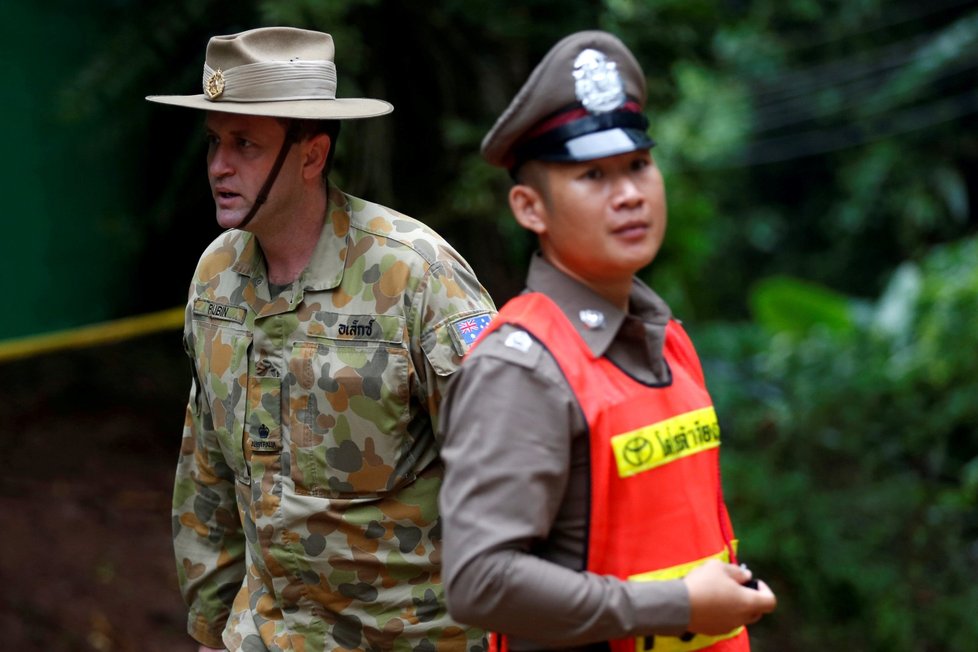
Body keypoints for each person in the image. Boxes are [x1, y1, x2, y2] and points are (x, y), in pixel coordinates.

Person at [146, 26, 496, 652]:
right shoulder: (216, 280)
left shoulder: (415, 276)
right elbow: (206, 472)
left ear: (311, 156)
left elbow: (508, 470)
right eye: (214, 143)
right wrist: (209, 630)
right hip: (267, 636)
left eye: (245, 145)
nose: (219, 166)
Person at [438, 30, 777, 652]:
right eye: (592, 174)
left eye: (638, 165)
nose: (628, 194)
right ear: (528, 207)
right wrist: (676, 606)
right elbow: (478, 581)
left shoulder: (668, 341)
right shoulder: (522, 368)